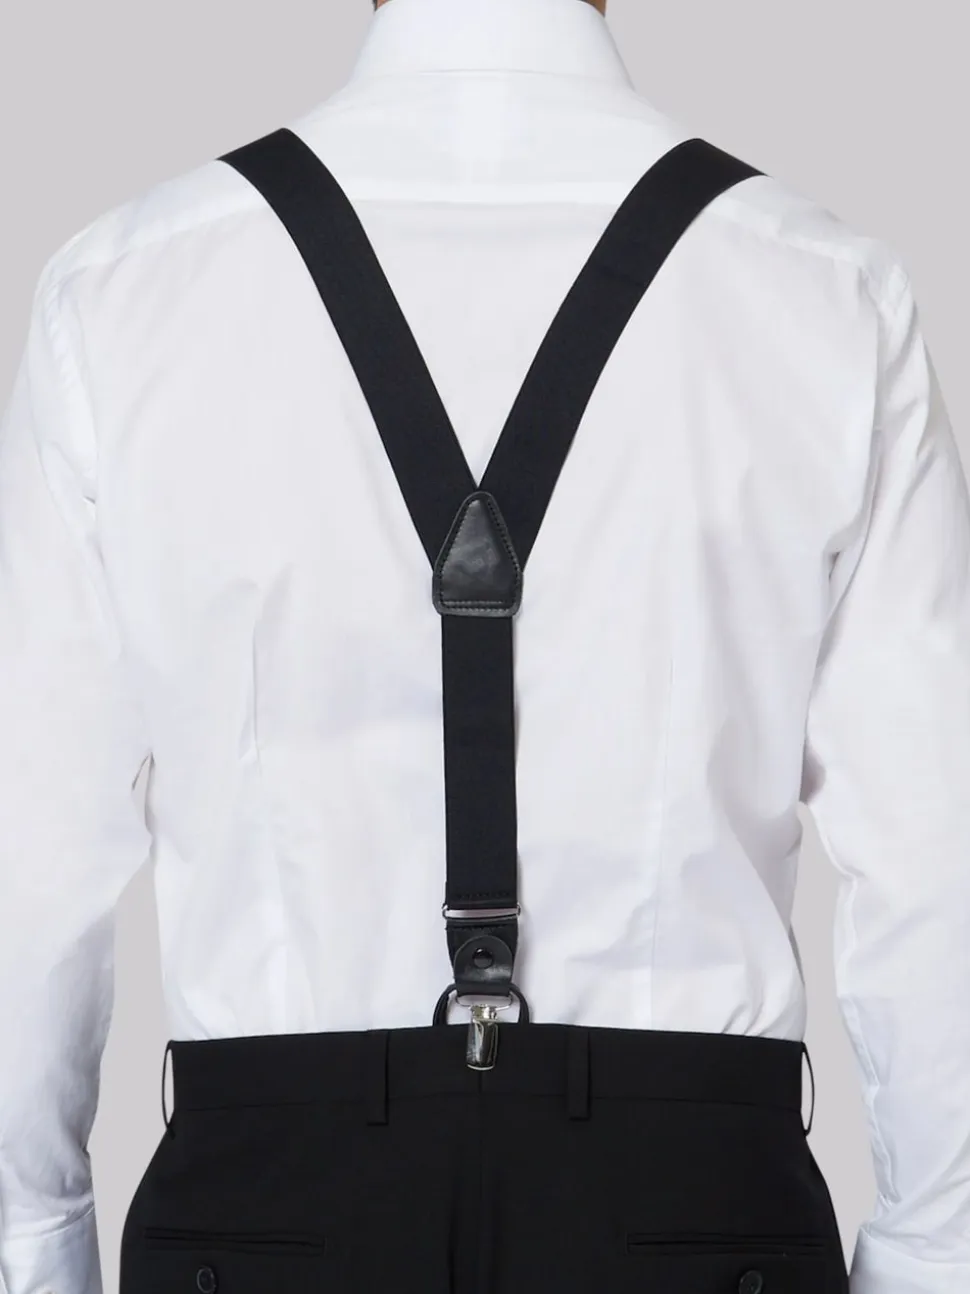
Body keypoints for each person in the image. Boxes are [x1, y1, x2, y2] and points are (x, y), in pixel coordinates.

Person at [0, 0, 968, 1292]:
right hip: (693, 1223)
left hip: (264, 1223)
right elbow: (935, 856)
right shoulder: (822, 293)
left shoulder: (126, 293)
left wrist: (35, 1247)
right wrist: (928, 1256)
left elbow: (30, 851)